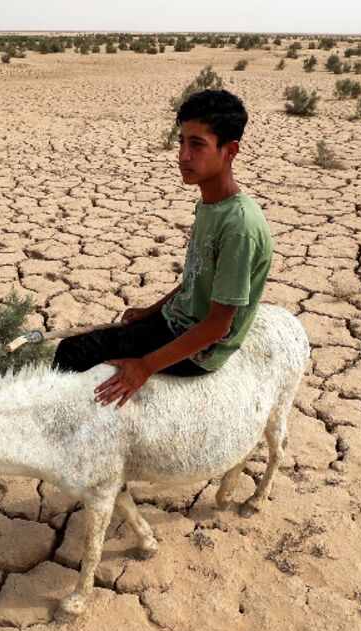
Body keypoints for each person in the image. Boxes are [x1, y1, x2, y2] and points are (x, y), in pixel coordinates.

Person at [51, 88, 274, 409]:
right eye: (181, 141)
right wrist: (152, 311)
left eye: (197, 145)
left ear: (230, 151)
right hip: (175, 320)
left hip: (201, 349)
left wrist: (144, 367)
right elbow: (199, 278)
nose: (183, 155)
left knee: (73, 352)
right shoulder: (211, 205)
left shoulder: (239, 226)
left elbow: (217, 326)